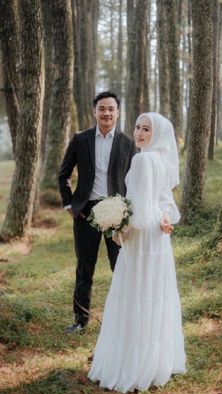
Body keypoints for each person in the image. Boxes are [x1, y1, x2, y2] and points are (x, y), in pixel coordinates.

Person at [88, 112, 186, 393]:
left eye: (147, 129)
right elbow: (164, 201)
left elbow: (140, 211)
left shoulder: (143, 159)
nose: (140, 133)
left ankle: (133, 364)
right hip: (158, 237)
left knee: (138, 291)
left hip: (144, 237)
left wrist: (122, 230)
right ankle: (154, 362)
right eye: (138, 127)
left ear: (157, 135)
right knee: (154, 292)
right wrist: (165, 218)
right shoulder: (162, 161)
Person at [58, 91, 138, 333]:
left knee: (121, 267)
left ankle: (125, 318)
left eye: (111, 109)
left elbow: (135, 180)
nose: (106, 113)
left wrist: (129, 213)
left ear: (117, 112)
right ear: (95, 111)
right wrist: (70, 205)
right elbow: (64, 174)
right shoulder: (80, 140)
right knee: (85, 268)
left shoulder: (127, 143)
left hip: (117, 214)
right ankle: (80, 320)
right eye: (102, 108)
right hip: (86, 213)